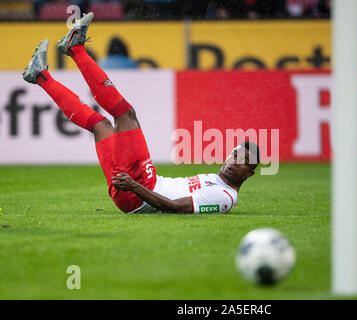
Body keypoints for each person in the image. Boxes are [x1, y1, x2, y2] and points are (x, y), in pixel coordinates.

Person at [22, 12, 259, 214]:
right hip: (132, 190)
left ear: (250, 173)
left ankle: (76, 49)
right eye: (234, 154)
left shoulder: (225, 198)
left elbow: (175, 207)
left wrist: (134, 186)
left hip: (139, 190)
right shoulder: (215, 179)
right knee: (100, 125)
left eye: (242, 162)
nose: (233, 162)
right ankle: (41, 76)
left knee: (126, 114)